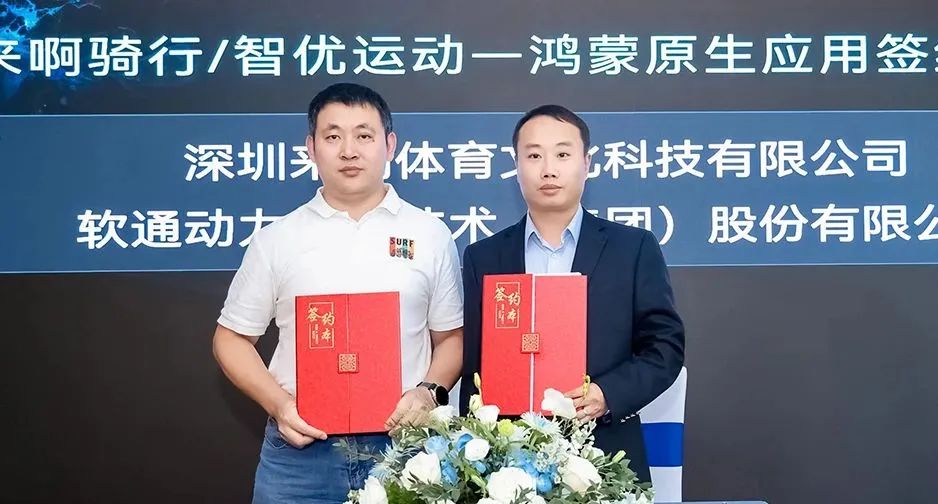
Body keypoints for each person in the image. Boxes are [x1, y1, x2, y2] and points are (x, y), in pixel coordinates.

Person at [213, 83, 464, 503]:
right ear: (311, 148)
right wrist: (279, 405)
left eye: (364, 135)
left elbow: (451, 337)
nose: (349, 151)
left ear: (390, 145)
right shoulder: (277, 239)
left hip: (406, 448)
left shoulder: (430, 234)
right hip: (301, 452)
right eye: (333, 136)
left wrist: (428, 392)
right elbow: (231, 338)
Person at [459, 104, 684, 483]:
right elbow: (474, 369)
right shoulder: (484, 257)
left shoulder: (633, 248)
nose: (548, 169)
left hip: (606, 457)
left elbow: (665, 349)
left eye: (562, 154)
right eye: (534, 156)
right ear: (516, 166)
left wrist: (607, 394)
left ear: (587, 163)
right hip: (507, 468)